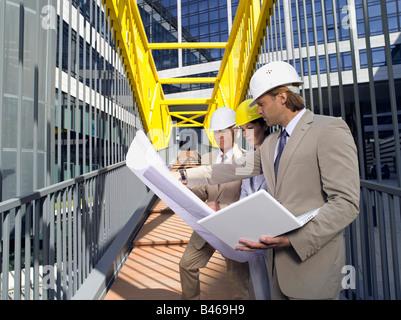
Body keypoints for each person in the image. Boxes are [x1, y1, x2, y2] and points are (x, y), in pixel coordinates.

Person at [178, 61, 360, 300]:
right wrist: (184, 176)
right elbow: (231, 169)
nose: (259, 111)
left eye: (262, 103)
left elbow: (346, 203)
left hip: (312, 266)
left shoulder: (329, 129)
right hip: (277, 269)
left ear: (282, 97)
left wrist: (292, 240)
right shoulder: (272, 144)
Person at [178, 107, 251, 300]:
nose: (219, 136)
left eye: (223, 131)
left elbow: (247, 198)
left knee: (238, 280)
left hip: (233, 228)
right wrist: (184, 189)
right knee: (186, 264)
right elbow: (203, 190)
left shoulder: (247, 160)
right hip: (208, 224)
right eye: (216, 131)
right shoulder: (208, 159)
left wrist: (222, 208)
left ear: (234, 131)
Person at [235, 99, 272, 300]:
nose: (245, 135)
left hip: (273, 234)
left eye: (249, 128)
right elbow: (244, 195)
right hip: (253, 236)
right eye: (242, 130)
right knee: (260, 291)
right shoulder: (249, 160)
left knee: (277, 290)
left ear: (264, 124)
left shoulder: (278, 153)